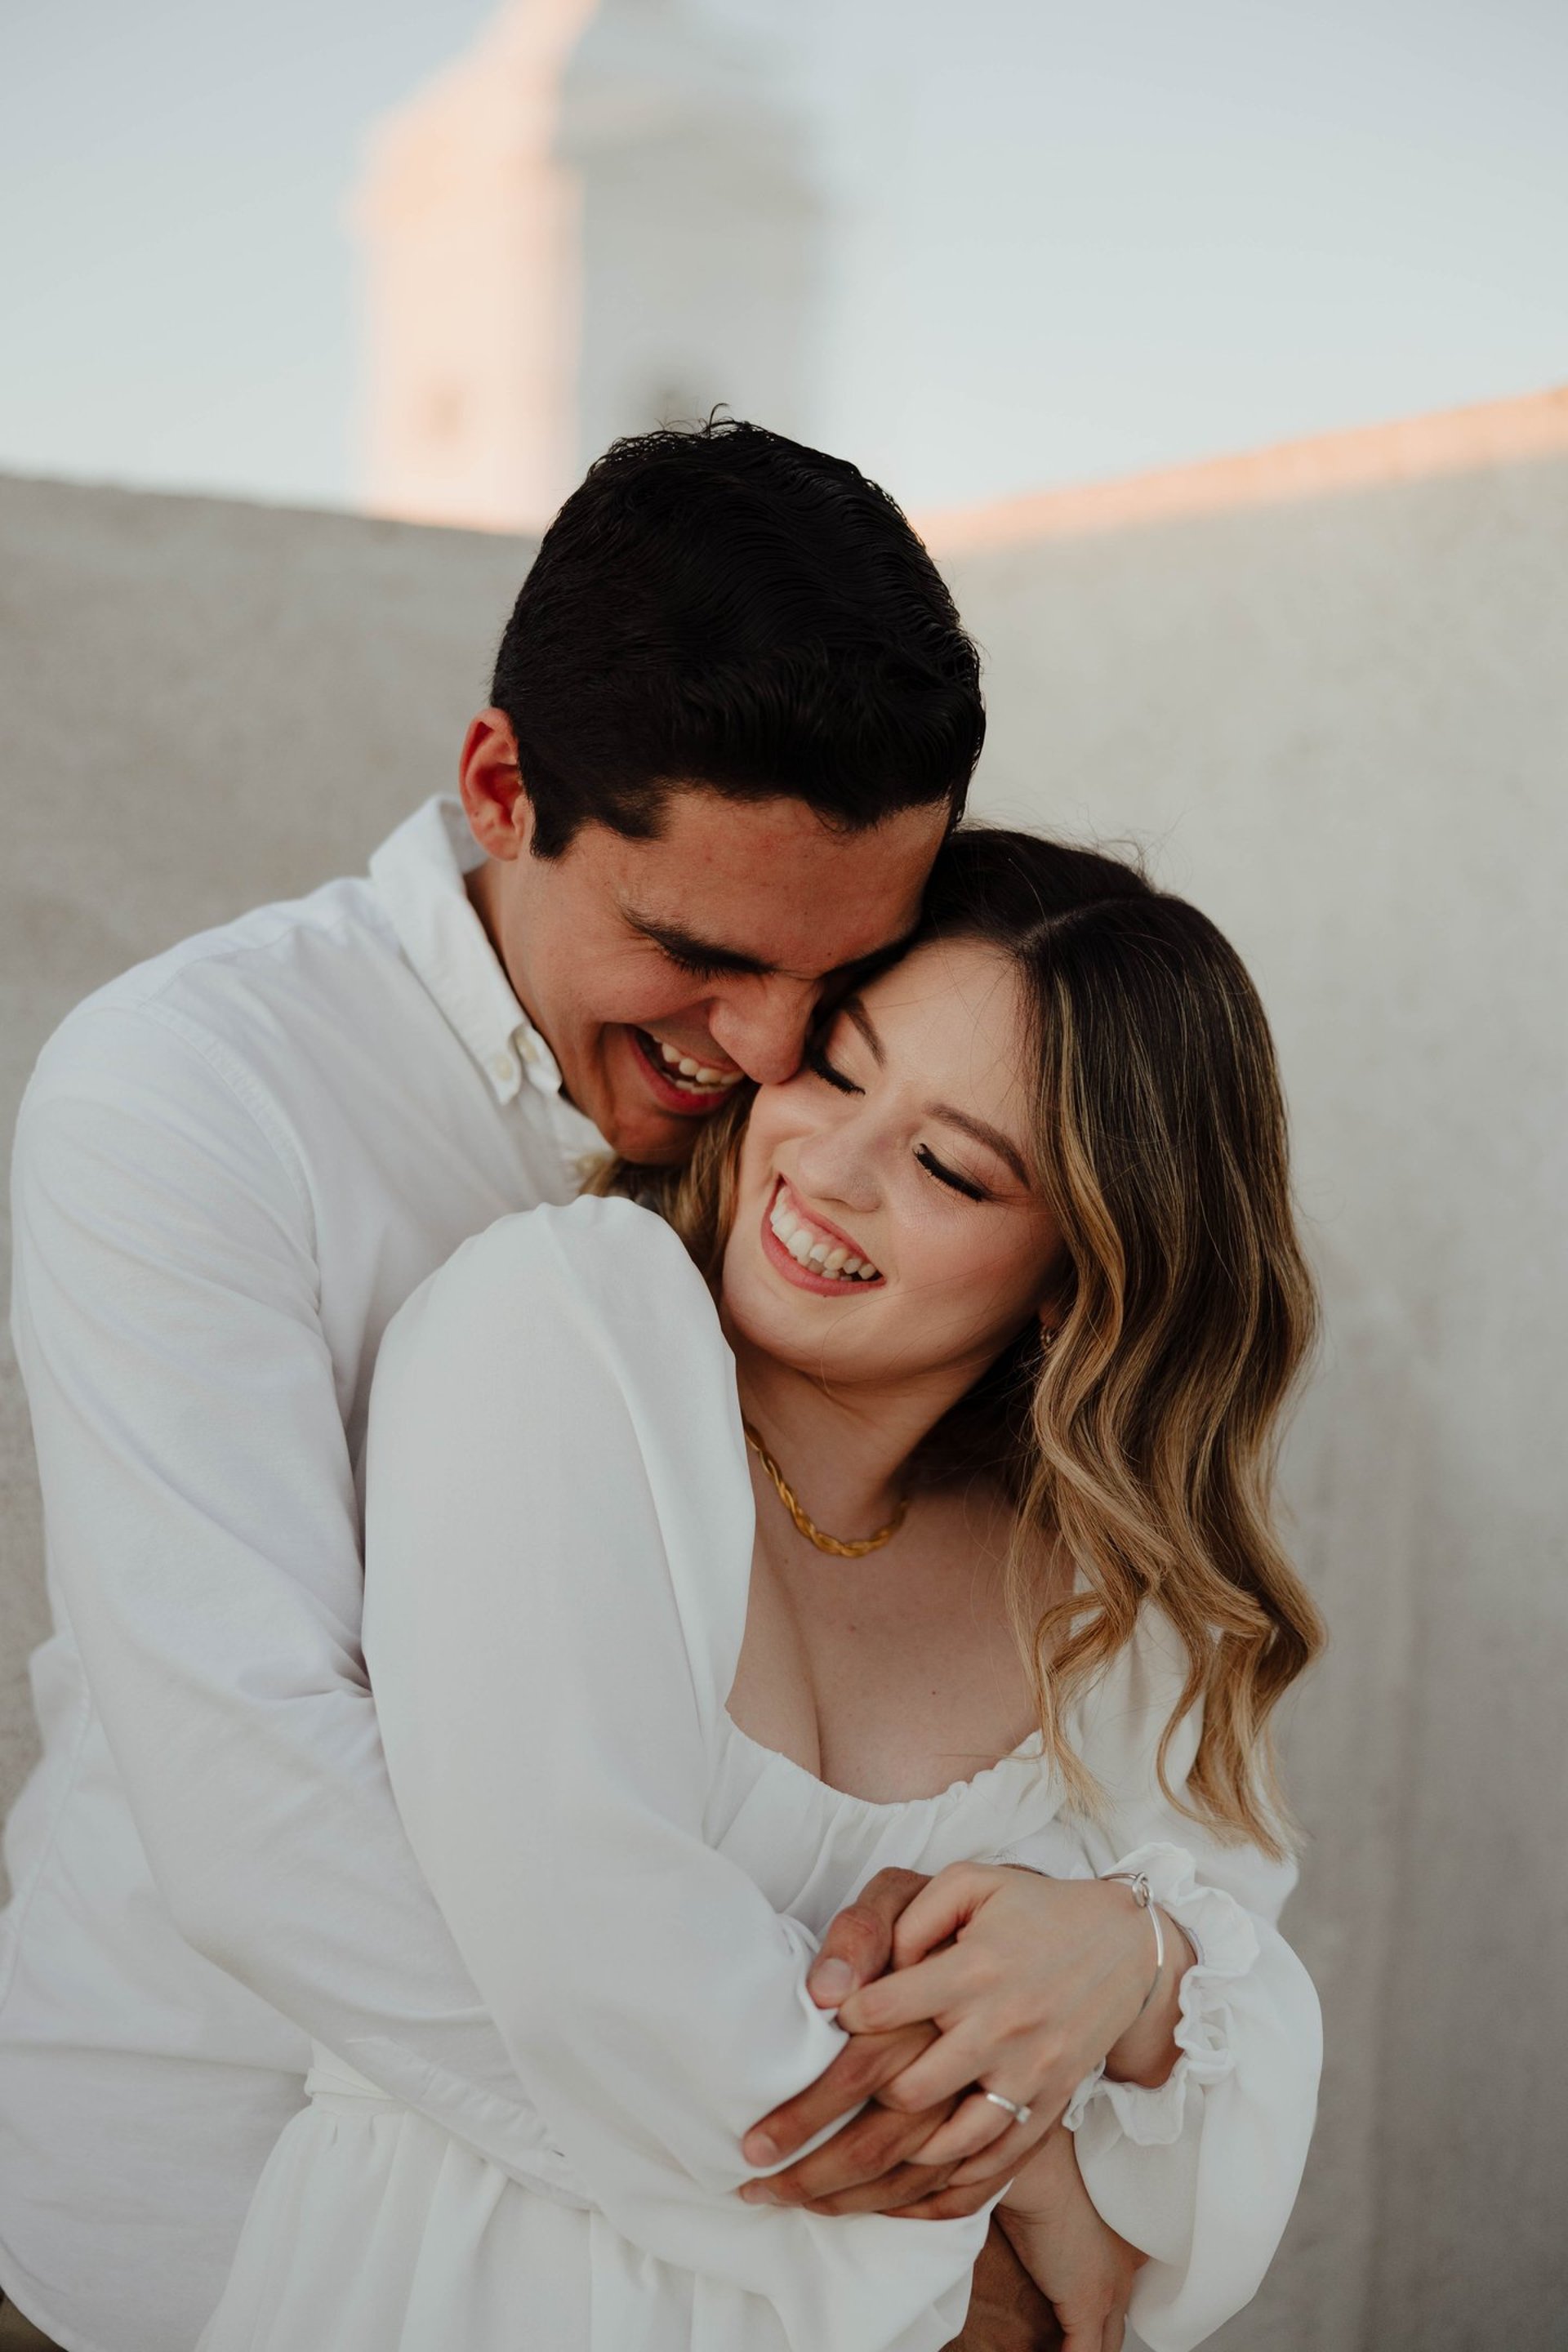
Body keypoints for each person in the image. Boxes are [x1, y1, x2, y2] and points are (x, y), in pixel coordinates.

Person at [0, 421, 986, 2352]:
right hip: (182, 2234)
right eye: (695, 950)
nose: (769, 1047)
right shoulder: (183, 1094)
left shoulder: (842, 1121)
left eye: (839, 971)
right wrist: (839, 2213)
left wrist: (1109, 1955)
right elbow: (265, 1801)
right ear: (497, 785)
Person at [196, 826, 1325, 2352]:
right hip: (477, 2288)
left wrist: (1125, 1957)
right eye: (839, 1073)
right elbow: (584, 1946)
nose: (832, 1170)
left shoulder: (1106, 1585)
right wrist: (978, 2246)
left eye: (947, 1167)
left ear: (1080, 1268)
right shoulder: (562, 1328)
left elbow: (1249, 2025)